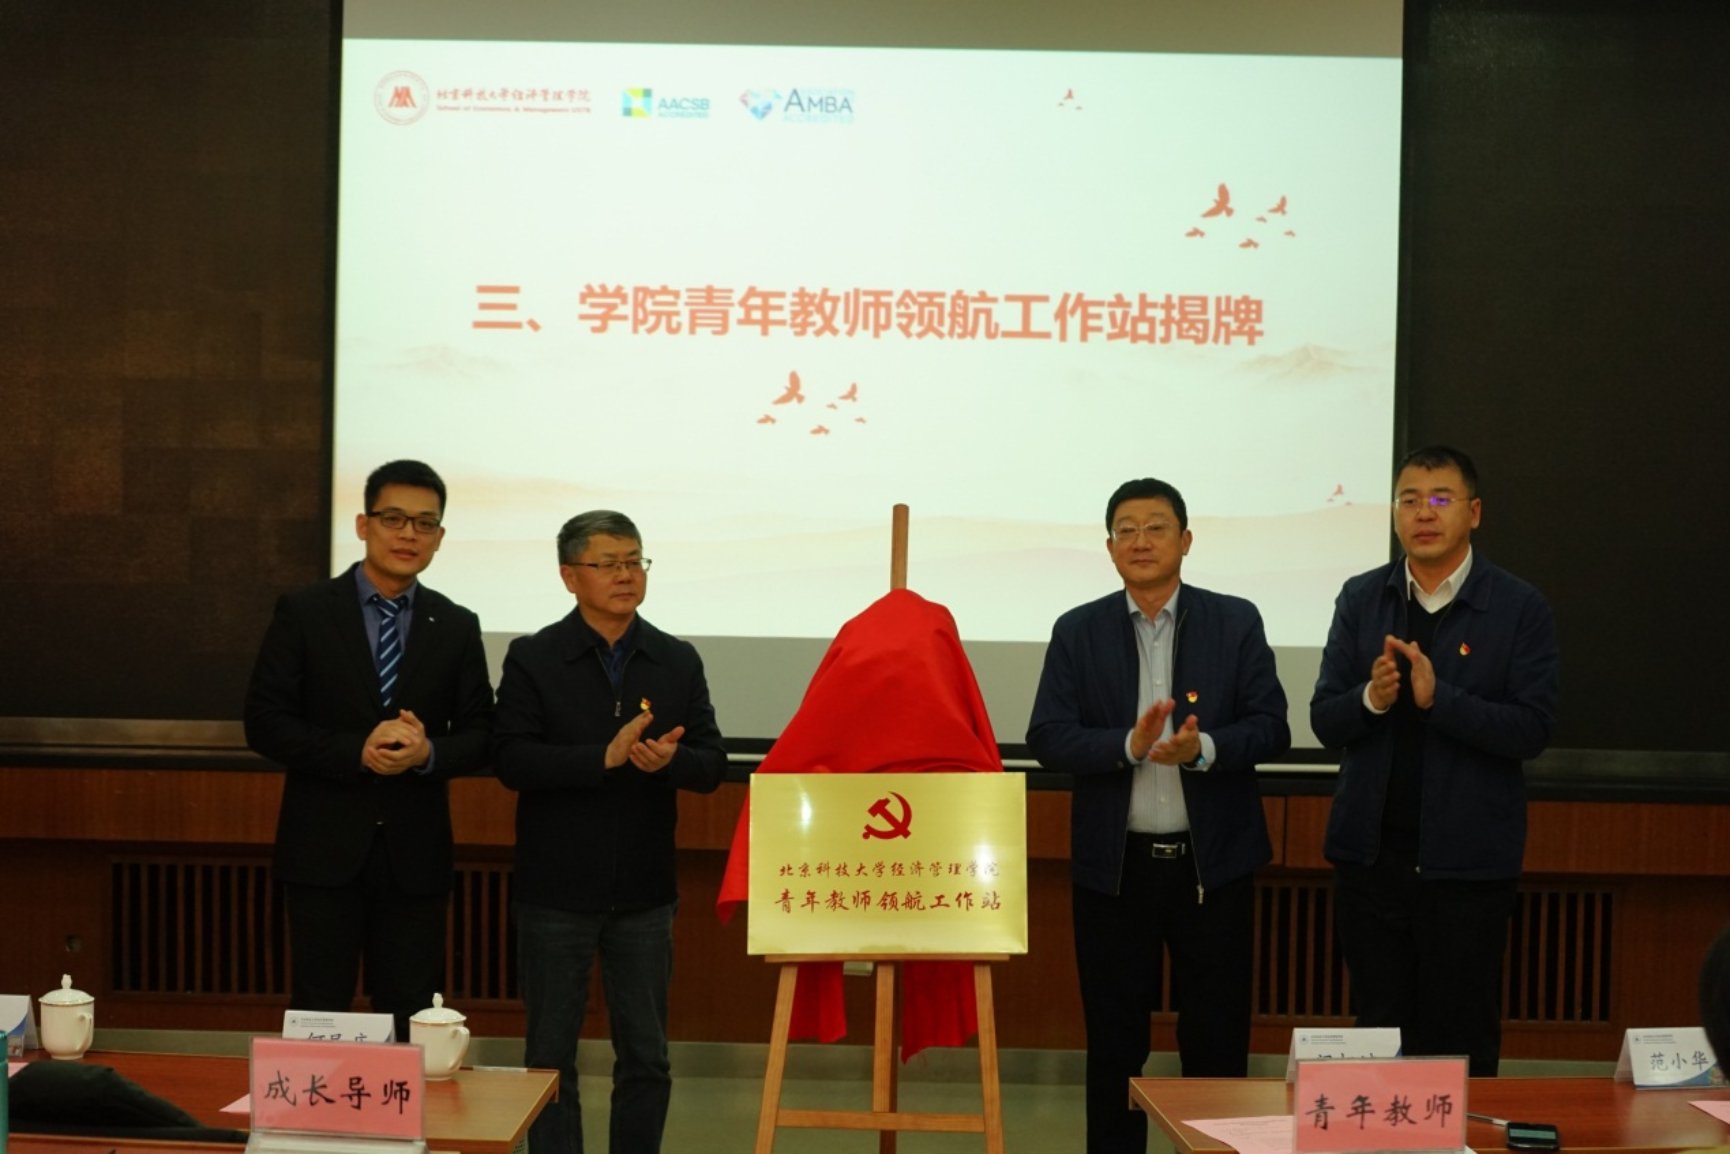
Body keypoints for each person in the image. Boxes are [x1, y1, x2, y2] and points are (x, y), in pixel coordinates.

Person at [1027, 478, 1290, 1154]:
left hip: (1214, 870)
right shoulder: (1078, 630)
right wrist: (1127, 745)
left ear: (1186, 540)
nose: (1140, 541)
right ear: (1110, 546)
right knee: (1115, 1044)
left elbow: (1272, 727)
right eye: (1126, 529)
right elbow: (1049, 735)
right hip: (1115, 874)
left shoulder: (1235, 622)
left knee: (1216, 1040)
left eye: (1156, 527)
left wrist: (1203, 748)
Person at [1311, 444, 1559, 1076]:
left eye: (1441, 499)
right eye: (1410, 500)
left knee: (1459, 1042)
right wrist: (1372, 698)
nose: (1425, 513)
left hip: (1468, 870)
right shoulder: (1362, 598)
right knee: (1379, 1036)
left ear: (1473, 513)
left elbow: (1531, 728)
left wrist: (1438, 699)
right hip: (1371, 865)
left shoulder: (1518, 607)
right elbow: (1324, 720)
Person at [493, 510, 725, 1154]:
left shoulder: (675, 658)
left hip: (645, 892)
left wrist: (671, 761)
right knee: (549, 1060)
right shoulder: (535, 657)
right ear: (570, 576)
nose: (625, 576)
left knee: (647, 1056)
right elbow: (511, 759)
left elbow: (712, 764)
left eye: (634, 562)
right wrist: (602, 758)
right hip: (555, 890)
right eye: (608, 564)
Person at [244, 459, 494, 1042]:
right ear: (363, 524)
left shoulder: (455, 624)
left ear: (439, 536)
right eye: (394, 519)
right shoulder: (306, 611)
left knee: (411, 1009)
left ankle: (401, 1110)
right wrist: (356, 750)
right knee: (319, 1003)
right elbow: (265, 723)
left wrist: (427, 752)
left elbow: (483, 734)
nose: (409, 534)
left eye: (425, 524)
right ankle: (314, 1107)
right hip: (322, 847)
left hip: (415, 853)